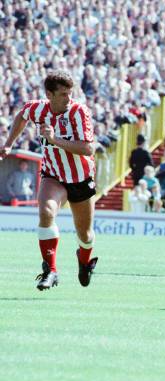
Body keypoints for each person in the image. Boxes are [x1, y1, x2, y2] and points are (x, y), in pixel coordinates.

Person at [0, 70, 98, 290]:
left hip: (81, 179)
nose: (68, 98)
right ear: (49, 95)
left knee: (86, 235)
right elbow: (22, 116)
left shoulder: (78, 111)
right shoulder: (37, 108)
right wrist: (9, 143)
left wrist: (55, 139)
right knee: (45, 213)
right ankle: (51, 270)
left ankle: (84, 262)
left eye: (69, 93)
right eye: (63, 94)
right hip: (53, 175)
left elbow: (88, 148)